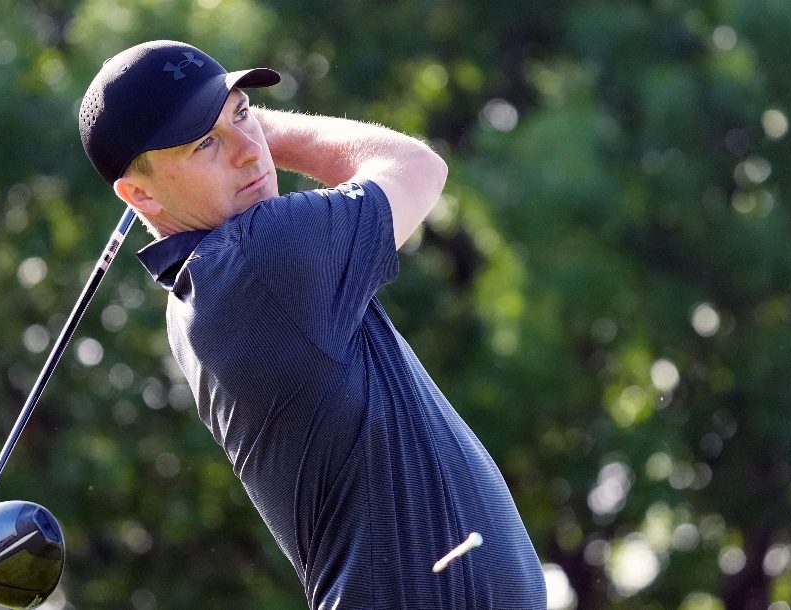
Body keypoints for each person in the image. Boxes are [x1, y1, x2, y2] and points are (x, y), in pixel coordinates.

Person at [78, 40, 546, 609]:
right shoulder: (259, 256)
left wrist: (224, 127)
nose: (249, 152)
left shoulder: (203, 288)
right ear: (138, 194)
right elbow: (417, 167)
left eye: (243, 114)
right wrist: (262, 127)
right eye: (205, 143)